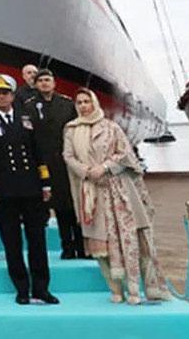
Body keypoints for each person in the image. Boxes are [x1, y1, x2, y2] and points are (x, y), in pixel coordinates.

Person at [63, 89, 170, 304]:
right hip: (91, 192)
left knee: (131, 238)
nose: (83, 106)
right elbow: (68, 156)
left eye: (87, 101)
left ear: (94, 103)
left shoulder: (112, 127)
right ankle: (115, 289)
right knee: (100, 245)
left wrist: (105, 167)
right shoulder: (71, 130)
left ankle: (138, 288)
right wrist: (86, 171)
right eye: (79, 102)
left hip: (119, 190)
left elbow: (126, 154)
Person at [0, 75, 57, 305]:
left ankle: (41, 288)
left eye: (5, 93)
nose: (2, 97)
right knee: (12, 243)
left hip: (31, 187)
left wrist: (45, 183)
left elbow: (38, 153)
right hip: (5, 191)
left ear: (13, 95)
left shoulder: (27, 119)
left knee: (37, 241)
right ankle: (22, 288)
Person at [25, 69, 85, 259]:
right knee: (59, 208)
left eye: (47, 80)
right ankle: (67, 247)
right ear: (35, 84)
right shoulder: (29, 107)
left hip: (68, 161)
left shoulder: (67, 104)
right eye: (40, 80)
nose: (44, 83)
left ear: (54, 82)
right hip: (46, 163)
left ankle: (82, 247)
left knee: (75, 205)